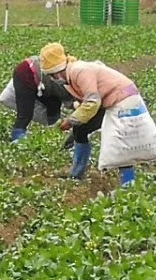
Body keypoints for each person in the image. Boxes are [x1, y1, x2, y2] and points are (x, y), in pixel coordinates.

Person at [40, 42, 143, 186]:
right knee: (81, 130)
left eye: (51, 75)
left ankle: (128, 181)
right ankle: (76, 174)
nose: (52, 79)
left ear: (57, 71)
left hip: (123, 100)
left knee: (118, 138)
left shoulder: (79, 71)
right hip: (109, 101)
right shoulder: (69, 78)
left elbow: (92, 102)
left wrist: (71, 120)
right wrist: (75, 121)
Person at [6, 51, 72, 142]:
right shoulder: (67, 82)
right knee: (25, 113)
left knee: (54, 106)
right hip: (26, 74)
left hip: (46, 84)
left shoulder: (70, 77)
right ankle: (17, 138)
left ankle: (54, 133)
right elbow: (75, 105)